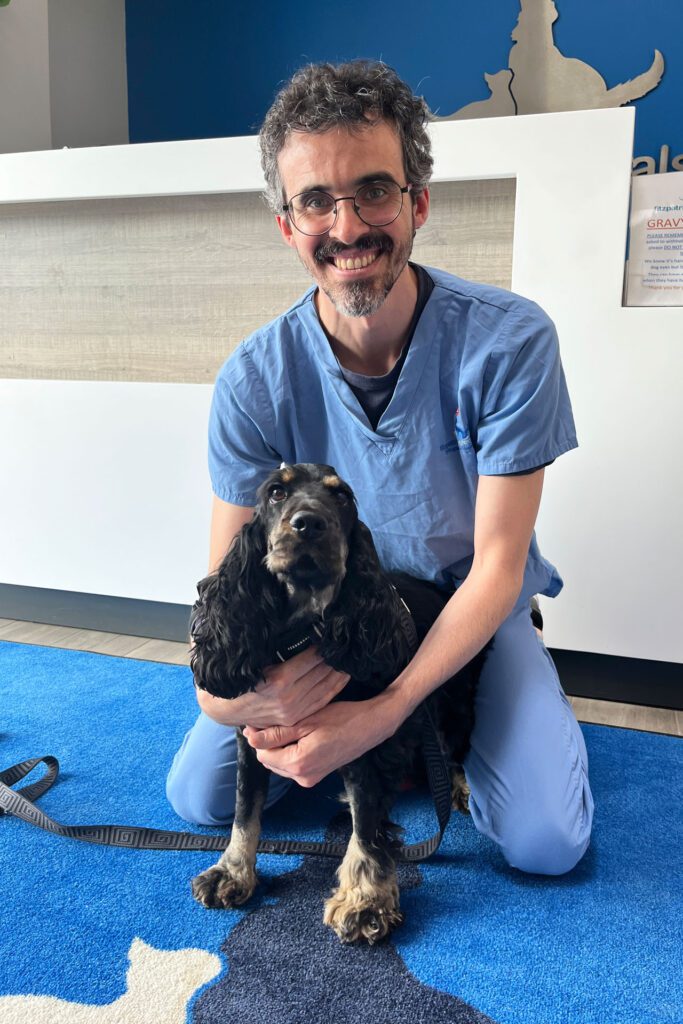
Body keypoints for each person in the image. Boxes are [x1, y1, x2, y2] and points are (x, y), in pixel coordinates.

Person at [166, 59, 593, 875]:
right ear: (288, 226)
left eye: (373, 190)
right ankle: (398, 748)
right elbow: (229, 573)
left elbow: (500, 564)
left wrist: (383, 710)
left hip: (465, 612)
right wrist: (232, 698)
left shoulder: (509, 342)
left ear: (417, 202)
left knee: (546, 844)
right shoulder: (252, 378)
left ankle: (506, 707)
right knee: (197, 798)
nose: (348, 225)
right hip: (324, 620)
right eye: (315, 201)